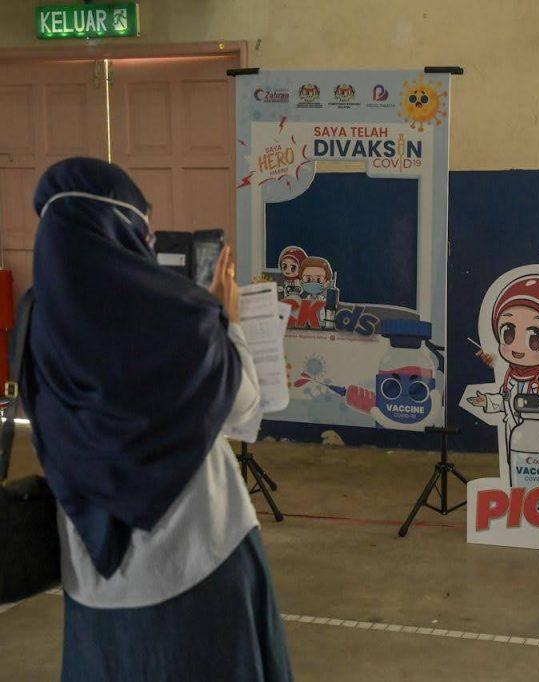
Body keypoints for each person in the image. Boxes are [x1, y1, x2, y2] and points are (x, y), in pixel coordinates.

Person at [24, 158, 293, 680]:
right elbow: (242, 409)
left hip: (94, 576)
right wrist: (227, 321)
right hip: (202, 561)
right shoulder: (184, 314)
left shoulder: (36, 326)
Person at [468, 274, 539, 463]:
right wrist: (487, 401)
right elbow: (508, 401)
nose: (518, 346)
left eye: (535, 337)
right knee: (519, 472)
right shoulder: (511, 376)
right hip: (517, 443)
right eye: (508, 333)